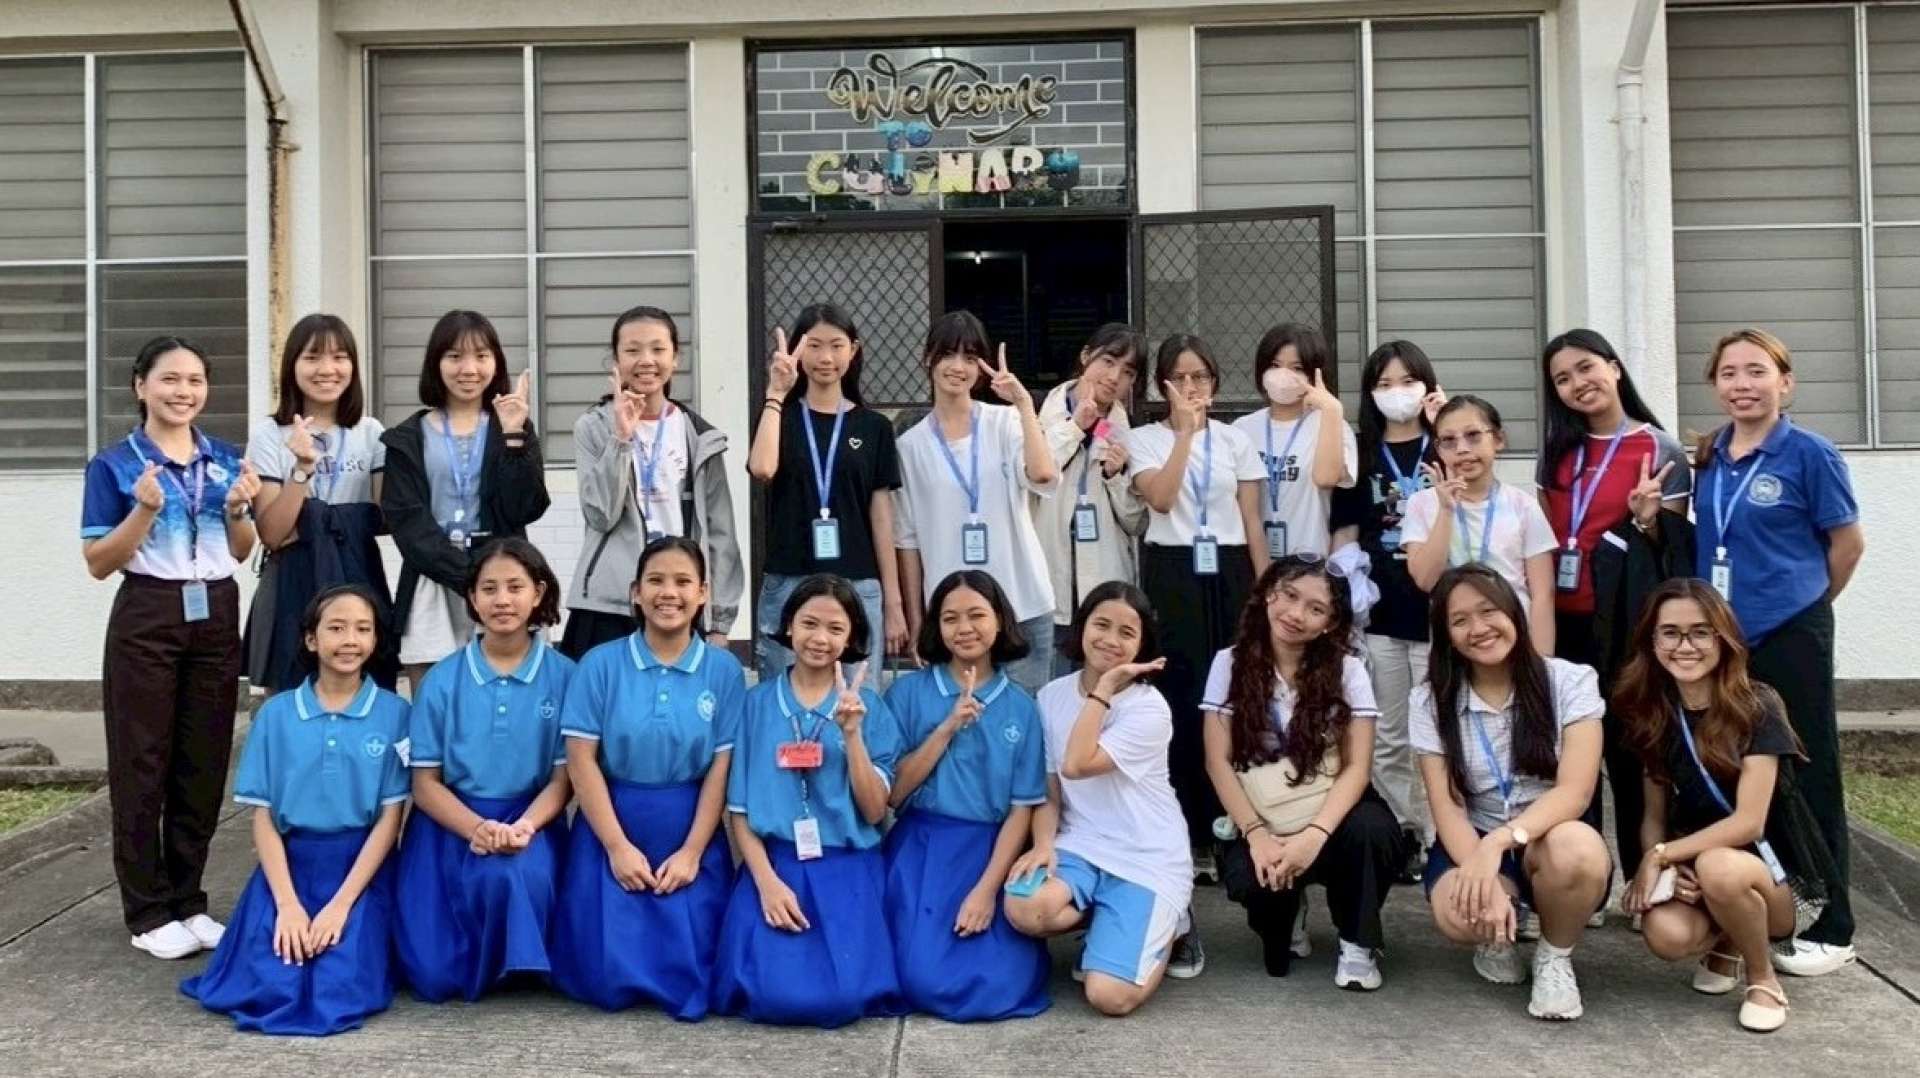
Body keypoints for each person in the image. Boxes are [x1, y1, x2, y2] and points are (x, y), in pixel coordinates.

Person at [1679, 328, 1865, 976]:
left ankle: (1833, 927)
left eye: (1757, 371)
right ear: (1715, 385)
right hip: (1727, 640)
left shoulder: (1810, 453)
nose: (1743, 385)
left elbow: (1847, 545)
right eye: (1729, 373)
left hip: (1790, 634)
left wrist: (1806, 603)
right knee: (1744, 776)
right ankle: (1762, 911)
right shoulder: (1710, 454)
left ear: (1785, 382)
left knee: (1809, 773)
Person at [82, 335, 262, 960]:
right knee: (142, 762)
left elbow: (241, 550)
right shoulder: (114, 465)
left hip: (215, 610)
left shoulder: (226, 460)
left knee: (203, 760)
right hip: (149, 611)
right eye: (169, 379)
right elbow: (98, 562)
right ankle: (147, 911)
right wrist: (143, 512)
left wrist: (238, 511)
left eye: (194, 381)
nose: (183, 391)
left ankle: (188, 900)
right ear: (141, 386)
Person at [1615, 579, 1841, 1034]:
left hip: (1781, 880)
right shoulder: (1653, 710)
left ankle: (1763, 979)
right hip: (1702, 865)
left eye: (1701, 632)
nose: (1685, 646)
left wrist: (1662, 855)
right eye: (1670, 633)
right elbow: (1654, 817)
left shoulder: (1758, 705)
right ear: (1651, 641)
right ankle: (1729, 941)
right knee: (1666, 935)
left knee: (1720, 866)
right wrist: (1668, 867)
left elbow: (1748, 823)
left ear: (1724, 639)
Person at [180, 586, 409, 1035]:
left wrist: (341, 906)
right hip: (289, 865)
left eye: (363, 629)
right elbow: (263, 817)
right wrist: (287, 904)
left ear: (376, 639)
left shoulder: (395, 713)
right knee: (273, 978)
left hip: (361, 869)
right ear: (311, 639)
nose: (350, 640)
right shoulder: (276, 715)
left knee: (340, 984)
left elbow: (390, 819)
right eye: (336, 628)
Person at [552, 537, 744, 1019]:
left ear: (703, 593)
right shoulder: (600, 664)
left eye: (683, 582)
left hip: (690, 827)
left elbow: (721, 768)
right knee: (604, 972)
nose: (669, 593)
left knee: (698, 964)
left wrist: (693, 852)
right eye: (656, 581)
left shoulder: (723, 670)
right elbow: (581, 761)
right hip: (611, 824)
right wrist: (617, 847)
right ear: (635, 592)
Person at [1412, 565, 1609, 1021]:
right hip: (1475, 831)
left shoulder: (1569, 681)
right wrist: (1483, 869)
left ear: (1514, 612)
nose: (1478, 628)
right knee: (1459, 913)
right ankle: (1498, 932)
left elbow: (1575, 793)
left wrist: (1502, 841)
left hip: (1549, 833)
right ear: (1446, 636)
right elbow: (1447, 807)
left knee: (1577, 851)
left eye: (1488, 611)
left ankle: (1554, 955)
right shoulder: (1429, 701)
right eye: (1460, 620)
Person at [1202, 556, 1406, 991]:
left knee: (1373, 831)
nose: (1296, 614)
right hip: (1262, 811)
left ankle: (1357, 941)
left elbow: (1357, 767)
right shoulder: (1229, 663)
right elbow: (1217, 761)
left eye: (1315, 609)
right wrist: (1257, 836)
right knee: (1256, 890)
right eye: (1289, 596)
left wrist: (1313, 837)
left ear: (1331, 624)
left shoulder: (1348, 669)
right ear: (1268, 594)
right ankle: (1287, 911)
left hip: (1328, 808)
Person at [711, 575, 906, 1027]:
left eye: (836, 628)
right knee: (771, 996)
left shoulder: (869, 707)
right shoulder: (757, 704)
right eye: (809, 624)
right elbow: (738, 810)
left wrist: (852, 735)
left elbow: (875, 810)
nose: (820, 638)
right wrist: (767, 884)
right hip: (774, 864)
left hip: (847, 866)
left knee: (838, 1000)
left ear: (852, 637)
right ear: (789, 626)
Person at [1535, 328, 1692, 885]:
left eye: (1586, 367)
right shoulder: (1557, 452)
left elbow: (1672, 554)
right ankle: (1583, 880)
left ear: (1614, 367)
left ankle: (1642, 874)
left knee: (1633, 751)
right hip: (1562, 622)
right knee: (1569, 752)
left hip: (1625, 625)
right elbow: (1546, 539)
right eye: (1562, 379)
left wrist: (1649, 520)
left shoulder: (1660, 448)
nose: (1578, 383)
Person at [393, 539, 575, 1002]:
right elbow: (425, 784)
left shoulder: (565, 677)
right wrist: (476, 828)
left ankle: (521, 961)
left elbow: (563, 780)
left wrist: (524, 827)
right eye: (489, 589)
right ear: (471, 598)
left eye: (515, 587)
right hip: (449, 824)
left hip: (530, 818)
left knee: (510, 874)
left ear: (538, 593)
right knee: (432, 975)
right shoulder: (442, 679)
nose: (502, 600)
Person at [1004, 582, 1191, 1017]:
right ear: (1082, 626)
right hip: (1081, 846)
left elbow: (1077, 763)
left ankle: (1174, 922)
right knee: (1024, 907)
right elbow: (1052, 788)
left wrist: (1103, 689)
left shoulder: (1150, 709)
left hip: (1146, 857)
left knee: (1109, 997)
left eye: (1127, 632)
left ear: (1142, 644)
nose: (1110, 640)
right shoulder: (1051, 696)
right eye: (1101, 625)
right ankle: (1112, 926)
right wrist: (1044, 845)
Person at [1125, 334, 1267, 880]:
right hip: (1174, 569)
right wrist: (1184, 434)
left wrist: (1263, 586)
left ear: (1215, 381)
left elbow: (1251, 518)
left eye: (1200, 377)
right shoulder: (1143, 439)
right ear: (1162, 385)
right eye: (1179, 378)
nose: (1190, 387)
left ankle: (1231, 823)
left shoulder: (1236, 441)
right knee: (1180, 696)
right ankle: (1188, 830)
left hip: (1228, 567)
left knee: (1233, 693)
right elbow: (1160, 499)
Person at [882, 570, 1050, 1021]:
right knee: (917, 978)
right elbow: (892, 794)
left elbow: (1022, 810)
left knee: (997, 983)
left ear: (999, 621)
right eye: (950, 618)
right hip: (920, 848)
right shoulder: (908, 693)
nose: (965, 628)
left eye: (977, 615)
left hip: (989, 852)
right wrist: (947, 727)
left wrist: (985, 892)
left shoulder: (1021, 707)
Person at [380, 309, 550, 691]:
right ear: (436, 363)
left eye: (481, 356)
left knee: (504, 697)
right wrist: (468, 576)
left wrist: (513, 438)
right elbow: (407, 523)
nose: (469, 369)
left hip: (502, 581)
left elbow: (525, 508)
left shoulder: (514, 426)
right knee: (433, 699)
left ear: (496, 362)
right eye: (455, 356)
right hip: (432, 579)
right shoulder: (408, 436)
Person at [561, 305, 743, 660]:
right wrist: (621, 439)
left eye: (658, 349)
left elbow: (720, 531)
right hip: (612, 601)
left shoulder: (701, 436)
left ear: (676, 358)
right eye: (632, 350)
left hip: (679, 598)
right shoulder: (593, 427)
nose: (646, 360)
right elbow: (600, 515)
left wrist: (720, 620)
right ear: (616, 360)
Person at [894, 311, 1060, 694]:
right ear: (928, 359)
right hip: (954, 618)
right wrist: (917, 619)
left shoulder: (1005, 422)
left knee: (1023, 717)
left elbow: (1042, 474)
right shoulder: (910, 446)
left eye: (970, 358)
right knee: (963, 718)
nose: (958, 367)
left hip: (1022, 601)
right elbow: (907, 539)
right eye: (948, 355)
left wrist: (1024, 404)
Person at [747, 304, 908, 677]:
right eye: (814, 346)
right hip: (789, 578)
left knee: (857, 696)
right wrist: (775, 393)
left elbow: (881, 517)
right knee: (783, 694)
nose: (825, 358)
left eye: (836, 346)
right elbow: (762, 468)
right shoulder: (779, 417)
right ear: (798, 351)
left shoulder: (874, 427)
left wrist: (893, 601)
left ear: (854, 350)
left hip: (858, 581)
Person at [244, 313, 397, 693]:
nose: (327, 369)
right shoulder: (269, 434)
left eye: (339, 357)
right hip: (294, 577)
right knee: (290, 693)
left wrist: (315, 518)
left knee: (367, 688)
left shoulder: (370, 432)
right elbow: (273, 533)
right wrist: (301, 470)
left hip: (358, 572)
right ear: (292, 365)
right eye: (312, 357)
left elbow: (386, 518)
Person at [1339, 340, 1447, 871]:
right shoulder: (1359, 451)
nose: (1396, 393)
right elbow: (1344, 531)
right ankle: (1402, 834)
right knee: (1387, 733)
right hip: (1380, 613)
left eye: (1407, 381)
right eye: (1384, 384)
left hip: (1439, 612)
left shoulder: (1445, 445)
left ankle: (1443, 833)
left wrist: (1445, 423)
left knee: (1441, 729)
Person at [1031, 323, 1150, 675]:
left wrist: (1115, 476)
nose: (1114, 377)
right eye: (1108, 362)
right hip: (1047, 575)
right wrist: (1073, 428)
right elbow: (1033, 477)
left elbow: (1136, 521)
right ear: (1085, 356)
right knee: (1046, 686)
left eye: (1128, 372)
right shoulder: (1036, 412)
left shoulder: (1127, 432)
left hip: (1103, 580)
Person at [1402, 395, 1558, 654]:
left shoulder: (1523, 505)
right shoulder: (1421, 504)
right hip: (1454, 641)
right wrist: (1446, 511)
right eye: (1449, 441)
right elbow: (1426, 580)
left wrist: (1544, 661)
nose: (1462, 449)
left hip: (1515, 639)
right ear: (1438, 449)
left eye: (1473, 435)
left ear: (1498, 439)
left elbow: (1543, 594)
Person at [1230, 323, 1357, 561]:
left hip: (1309, 562)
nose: (1283, 375)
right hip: (1250, 563)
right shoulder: (1242, 429)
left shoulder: (1332, 424)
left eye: (1297, 368)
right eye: (1275, 365)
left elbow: (1326, 478)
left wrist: (1331, 409)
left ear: (1314, 374)